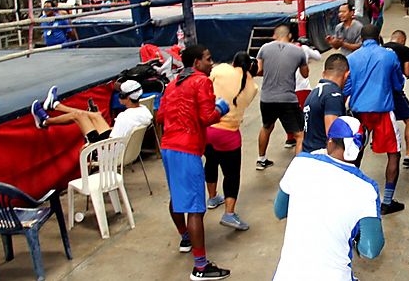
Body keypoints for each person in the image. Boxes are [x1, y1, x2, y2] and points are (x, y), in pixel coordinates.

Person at [273, 116, 384, 281]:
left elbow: (279, 210)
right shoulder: (367, 189)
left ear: (330, 141)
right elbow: (370, 249)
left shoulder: (300, 163)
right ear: (359, 149)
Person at [157, 44, 231, 281]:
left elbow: (159, 116)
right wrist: (221, 107)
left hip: (169, 146)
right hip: (186, 148)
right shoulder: (201, 81)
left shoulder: (173, 83)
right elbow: (207, 117)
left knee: (177, 196)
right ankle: (200, 266)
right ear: (197, 63)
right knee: (196, 208)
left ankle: (185, 237)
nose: (211, 63)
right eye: (208, 59)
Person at [344, 24, 406, 215]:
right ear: (378, 36)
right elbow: (398, 84)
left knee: (355, 152)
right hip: (382, 109)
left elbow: (346, 88)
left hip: (358, 111)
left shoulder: (351, 58)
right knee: (394, 152)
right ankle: (387, 201)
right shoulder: (389, 55)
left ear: (361, 39)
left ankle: (350, 195)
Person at [205, 52, 259, 231]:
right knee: (232, 174)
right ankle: (229, 213)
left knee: (211, 162)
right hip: (229, 133)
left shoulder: (220, 70)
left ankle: (212, 197)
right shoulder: (252, 87)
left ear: (234, 62)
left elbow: (208, 83)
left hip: (208, 128)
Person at [256, 24, 309, 167]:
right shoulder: (298, 52)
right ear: (289, 36)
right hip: (287, 98)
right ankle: (299, 166)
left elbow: (259, 70)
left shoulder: (264, 49)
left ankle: (261, 160)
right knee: (299, 134)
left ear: (274, 35)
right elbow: (305, 74)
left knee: (266, 127)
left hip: (266, 98)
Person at [30, 81, 152, 141]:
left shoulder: (124, 117)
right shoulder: (145, 111)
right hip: (118, 144)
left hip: (106, 151)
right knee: (95, 115)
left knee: (78, 116)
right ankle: (56, 106)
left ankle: (45, 122)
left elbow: (113, 139)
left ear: (126, 98)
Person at [383, 30, 409, 168]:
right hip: (395, 91)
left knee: (376, 117)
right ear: (402, 40)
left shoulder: (380, 48)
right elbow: (407, 72)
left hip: (379, 91)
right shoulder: (405, 50)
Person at [301, 54, 349, 153]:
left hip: (309, 153)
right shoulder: (333, 94)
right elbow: (332, 134)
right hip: (322, 156)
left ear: (324, 73)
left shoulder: (314, 93)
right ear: (346, 74)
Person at [285, 38, 321, 147]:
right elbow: (318, 57)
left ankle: (290, 138)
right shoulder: (303, 48)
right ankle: (305, 136)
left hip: (287, 87)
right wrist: (312, 48)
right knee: (305, 113)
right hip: (303, 87)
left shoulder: (282, 50)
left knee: (289, 114)